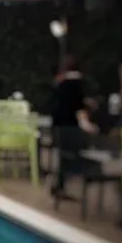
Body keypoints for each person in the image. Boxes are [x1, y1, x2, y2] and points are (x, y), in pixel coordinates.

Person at [50, 56, 99, 198]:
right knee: (76, 156)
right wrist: (86, 124)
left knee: (64, 156)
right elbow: (77, 106)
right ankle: (67, 182)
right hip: (71, 125)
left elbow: (66, 101)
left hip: (58, 124)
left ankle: (58, 184)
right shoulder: (76, 82)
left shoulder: (60, 82)